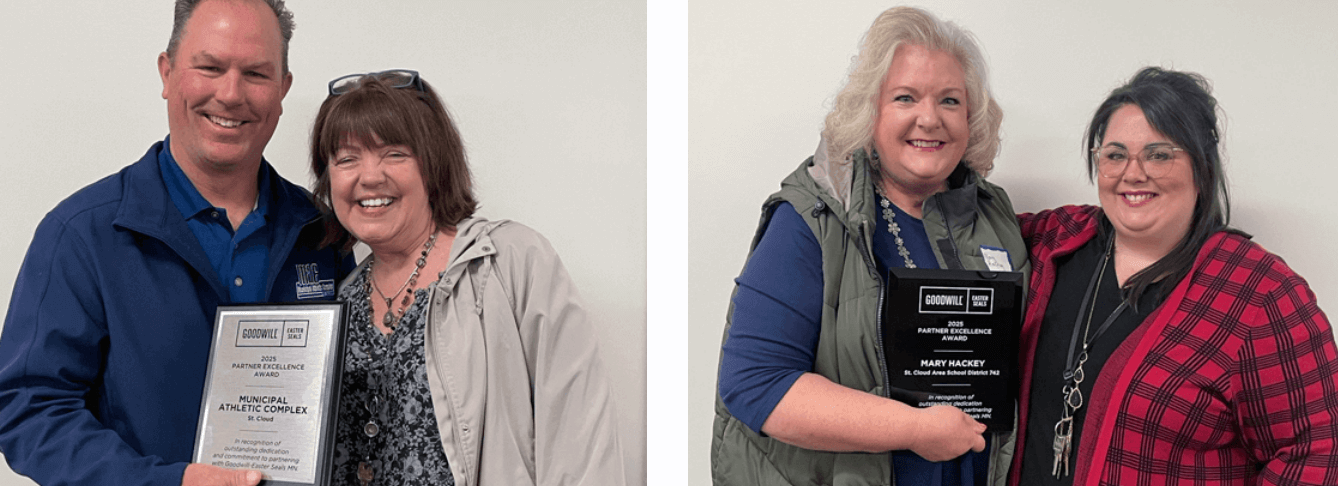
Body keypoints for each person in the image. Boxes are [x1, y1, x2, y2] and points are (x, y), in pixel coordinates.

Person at [0, 0, 354, 485]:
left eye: (256, 73)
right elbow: (28, 410)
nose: (231, 94)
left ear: (283, 89)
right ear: (167, 73)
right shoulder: (82, 234)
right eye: (209, 67)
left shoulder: (322, 233)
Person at [711, 7, 1029, 485]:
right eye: (906, 97)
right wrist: (916, 429)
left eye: (949, 100)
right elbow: (755, 383)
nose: (930, 118)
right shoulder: (811, 219)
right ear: (871, 110)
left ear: (971, 117)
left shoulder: (993, 218)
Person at [1011, 67, 1338, 485]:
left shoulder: (1260, 296)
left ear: (1201, 166)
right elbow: (956, 225)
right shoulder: (1053, 242)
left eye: (1159, 154)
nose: (1133, 173)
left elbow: (1318, 454)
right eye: (1114, 155)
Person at [307, 70, 624, 486]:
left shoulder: (509, 263)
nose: (369, 176)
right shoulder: (342, 298)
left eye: (394, 153)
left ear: (433, 164)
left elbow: (581, 439)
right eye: (346, 159)